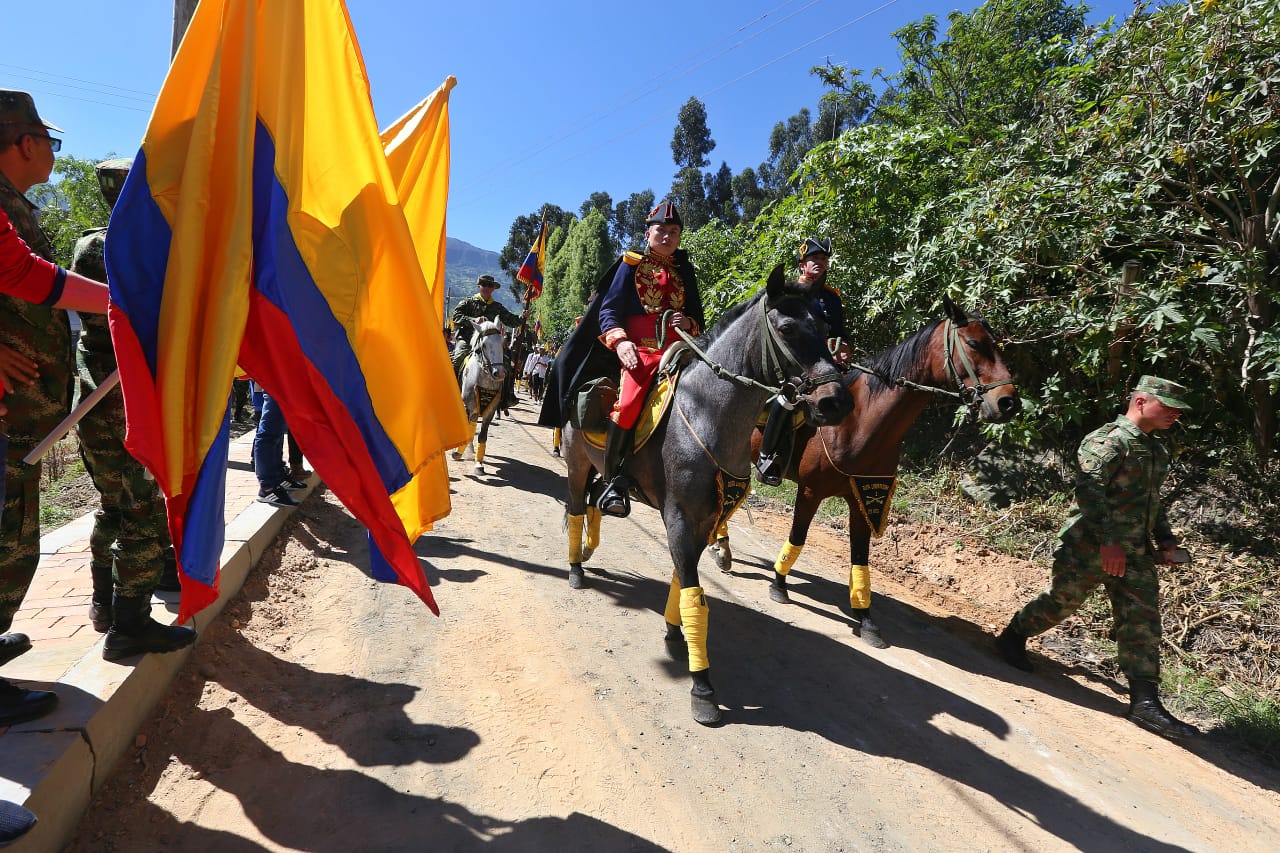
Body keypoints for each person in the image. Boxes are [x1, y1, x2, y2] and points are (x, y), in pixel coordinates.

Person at [995, 375, 1199, 740]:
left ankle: (1145, 704)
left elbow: (1153, 502)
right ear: (1140, 402)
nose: (1174, 417)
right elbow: (1089, 493)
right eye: (1168, 408)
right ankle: (1013, 636)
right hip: (1089, 545)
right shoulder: (1107, 441)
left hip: (1136, 550)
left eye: (1177, 412)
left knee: (1142, 620)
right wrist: (1108, 543)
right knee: (1063, 602)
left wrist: (1166, 540)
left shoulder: (1156, 450)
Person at [70, 157, 197, 661]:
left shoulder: (88, 244)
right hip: (130, 401)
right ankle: (130, 623)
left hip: (93, 399)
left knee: (111, 506)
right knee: (142, 513)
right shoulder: (137, 247)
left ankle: (103, 602)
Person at [0, 89, 77, 726]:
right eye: (49, 140)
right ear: (26, 143)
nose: (52, 151)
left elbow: (25, 277)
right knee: (7, 540)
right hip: (7, 410)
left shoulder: (13, 206)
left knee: (15, 533)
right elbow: (27, 277)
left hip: (21, 410)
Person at [595, 200, 704, 518]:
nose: (668, 237)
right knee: (628, 406)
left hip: (681, 351)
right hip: (640, 351)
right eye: (662, 230)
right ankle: (612, 481)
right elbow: (609, 311)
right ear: (648, 233)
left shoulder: (685, 270)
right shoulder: (631, 263)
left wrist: (688, 323)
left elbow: (699, 319)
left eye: (674, 232)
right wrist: (621, 342)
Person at [754, 237, 849, 486]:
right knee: (789, 395)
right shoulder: (788, 294)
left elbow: (839, 333)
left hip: (824, 363)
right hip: (793, 361)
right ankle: (768, 456)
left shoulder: (831, 298)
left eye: (824, 260)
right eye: (814, 259)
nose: (820, 263)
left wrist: (843, 349)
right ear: (802, 264)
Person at [450, 274, 523, 383]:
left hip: (490, 343)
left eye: (489, 285)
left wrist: (522, 318)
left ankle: (507, 395)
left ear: (493, 288)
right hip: (467, 339)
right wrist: (473, 320)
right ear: (479, 286)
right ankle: (451, 389)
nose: (486, 288)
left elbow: (511, 320)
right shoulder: (468, 302)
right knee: (458, 358)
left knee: (506, 363)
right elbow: (456, 316)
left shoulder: (497, 307)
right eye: (484, 285)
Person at [253, 390, 306, 507]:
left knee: (277, 432)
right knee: (268, 434)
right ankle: (268, 488)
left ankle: (279, 478)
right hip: (275, 382)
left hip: (283, 383)